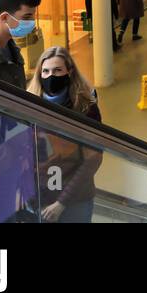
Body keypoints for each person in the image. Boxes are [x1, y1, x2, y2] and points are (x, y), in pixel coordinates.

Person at [26, 45, 102, 222]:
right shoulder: (29, 105)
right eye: (45, 71)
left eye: (57, 70)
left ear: (69, 71)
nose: (51, 76)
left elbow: (93, 158)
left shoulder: (85, 107)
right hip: (40, 199)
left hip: (75, 202)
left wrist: (62, 202)